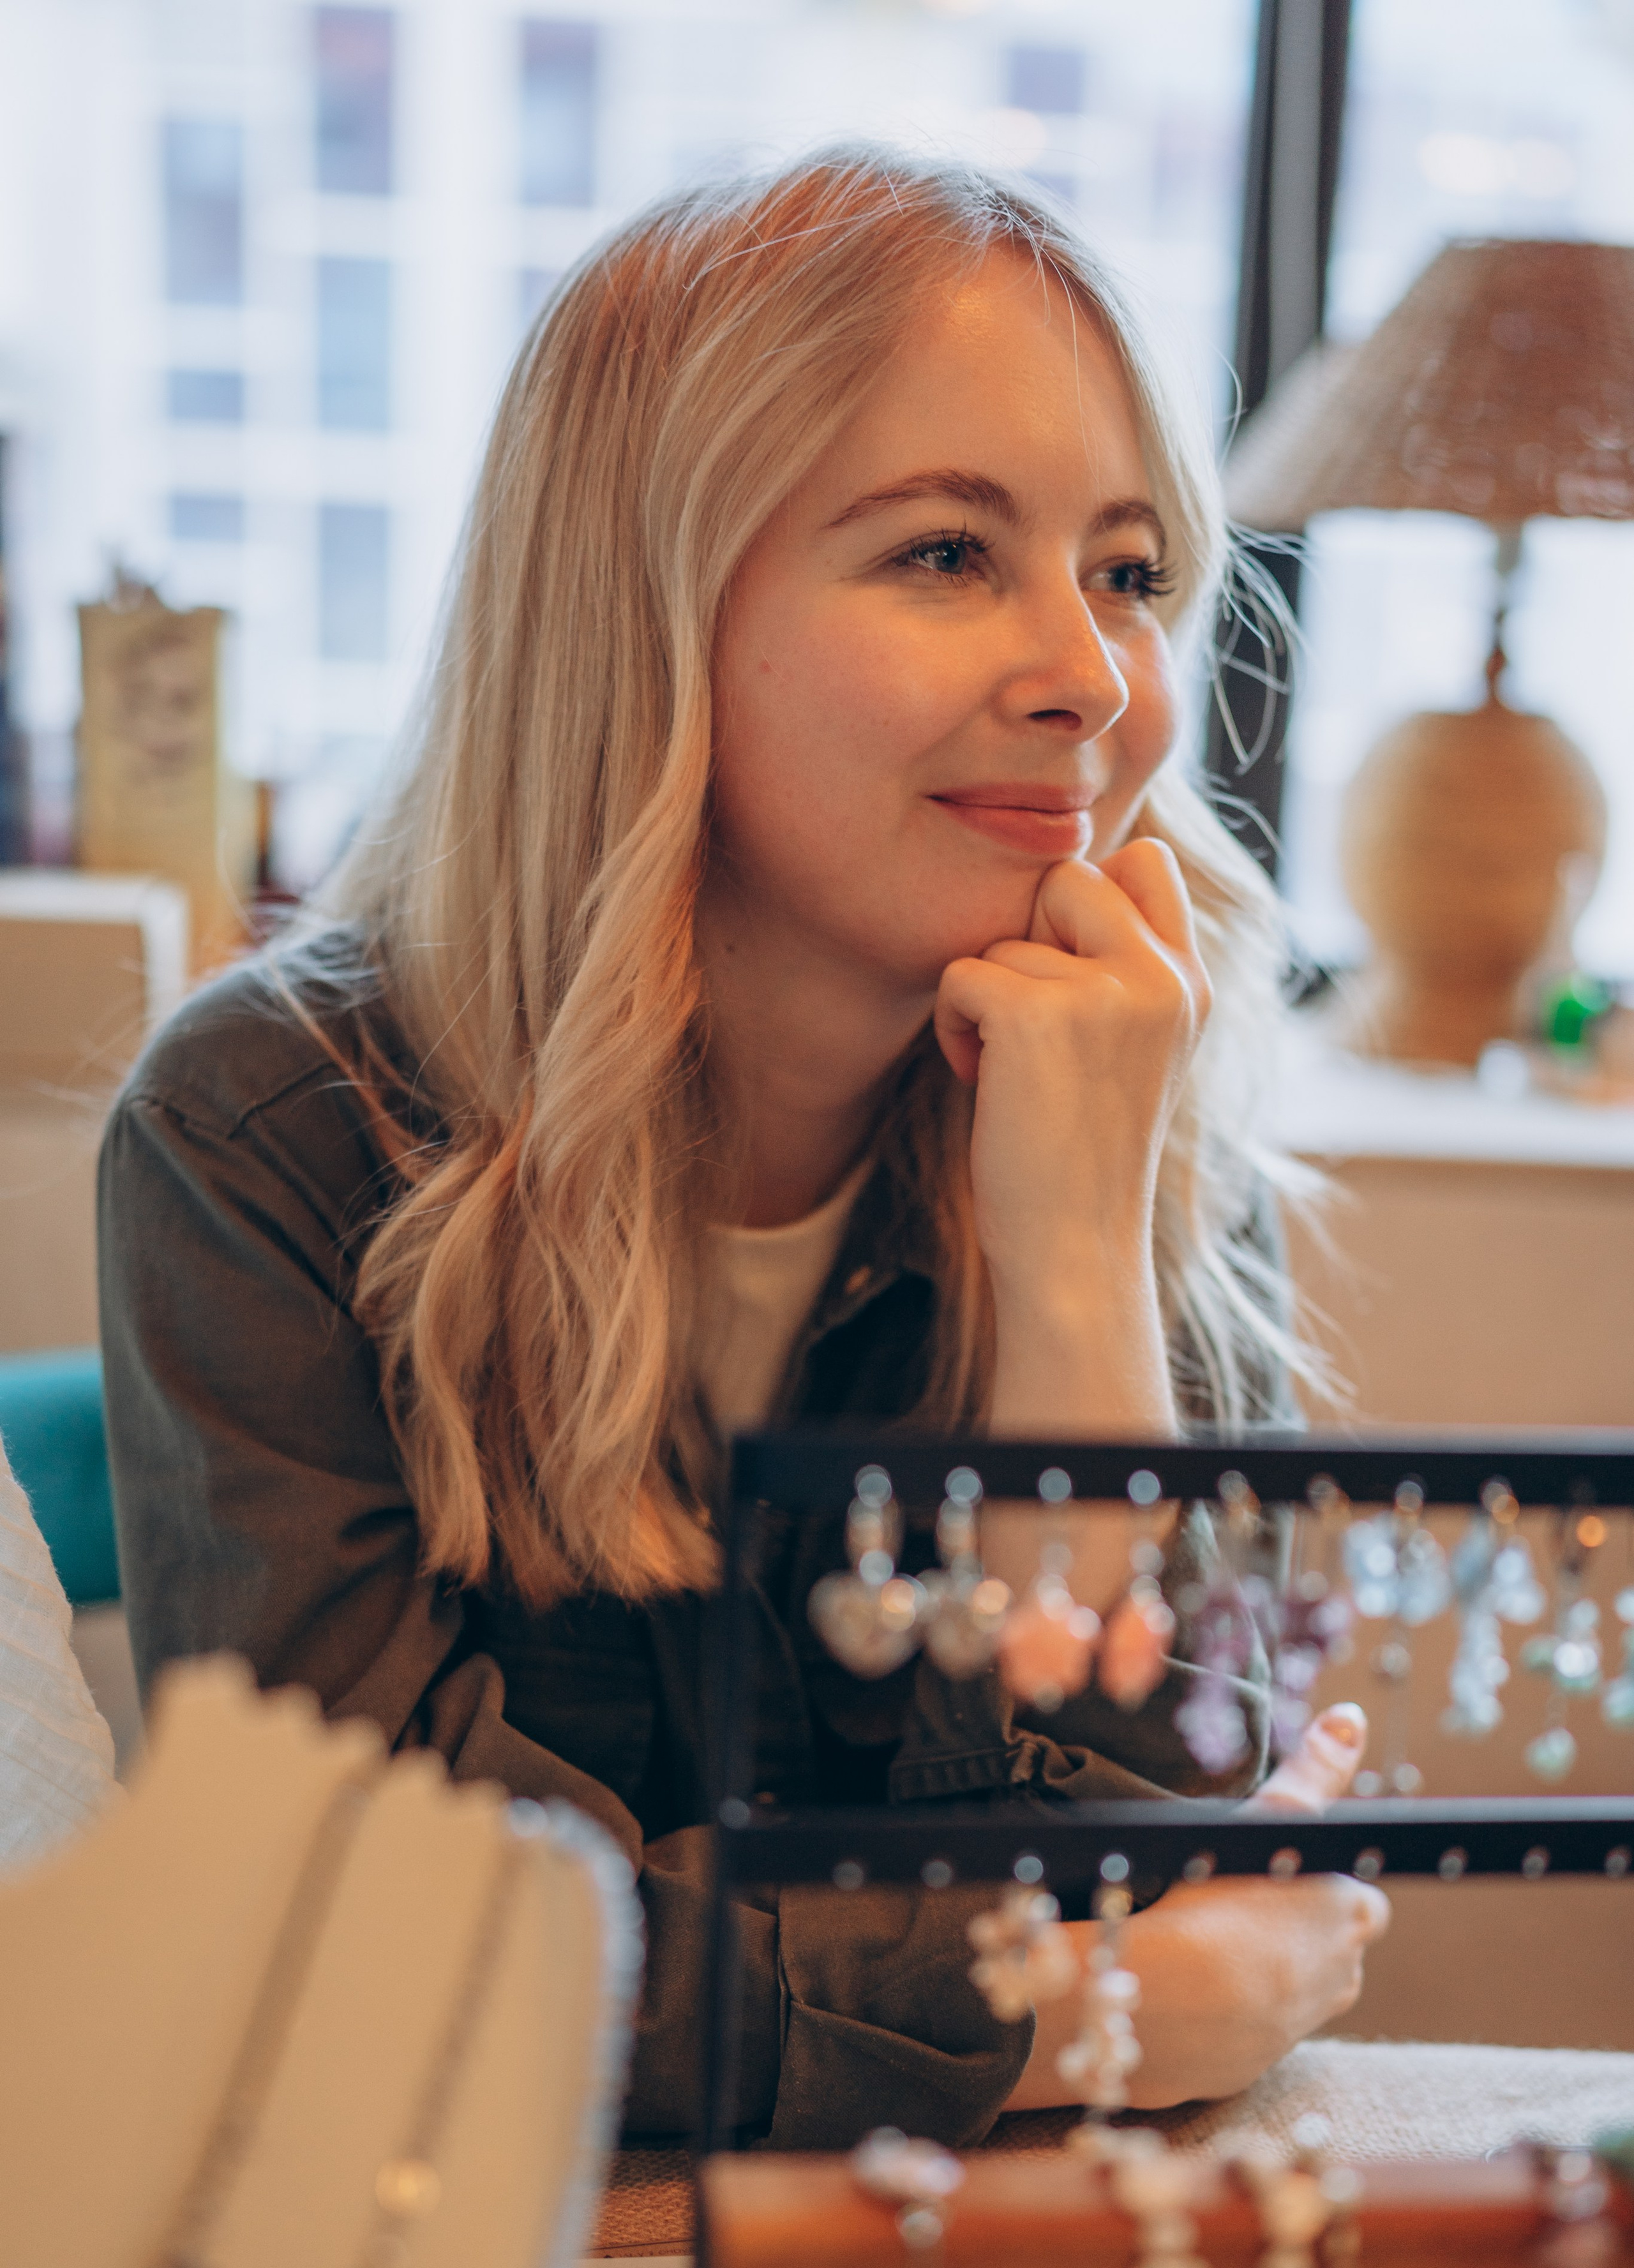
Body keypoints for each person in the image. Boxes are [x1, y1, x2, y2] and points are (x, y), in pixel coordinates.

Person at [98, 147, 1387, 2148]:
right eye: (951, 553)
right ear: (646, 608)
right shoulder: (269, 1132)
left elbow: (1208, 1847)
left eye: (1129, 572)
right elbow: (374, 1957)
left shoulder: (1144, 1102)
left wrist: (1070, 1272)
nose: (1092, 678)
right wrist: (1072, 2013)